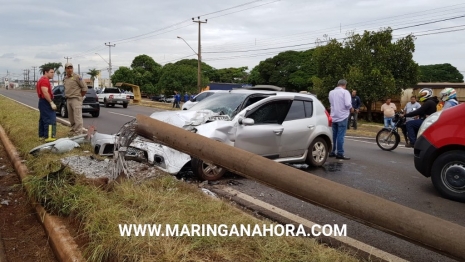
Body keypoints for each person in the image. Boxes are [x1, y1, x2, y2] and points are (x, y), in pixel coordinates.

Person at [328, 79, 353, 160]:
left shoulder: (331, 92)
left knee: (334, 135)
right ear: (344, 85)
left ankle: (332, 151)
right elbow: (347, 104)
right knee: (340, 136)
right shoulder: (345, 92)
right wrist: (351, 108)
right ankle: (340, 153)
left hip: (334, 115)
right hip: (342, 116)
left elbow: (331, 103)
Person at [63, 62, 88, 136]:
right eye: (68, 68)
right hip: (68, 99)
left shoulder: (77, 77)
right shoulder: (65, 78)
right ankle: (73, 130)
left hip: (76, 99)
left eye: (71, 68)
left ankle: (78, 133)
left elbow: (84, 88)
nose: (70, 69)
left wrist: (80, 96)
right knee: (71, 117)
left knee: (77, 117)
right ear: (65, 69)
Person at [36, 66, 57, 142]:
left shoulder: (41, 80)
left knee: (43, 119)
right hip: (46, 102)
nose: (53, 74)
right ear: (46, 72)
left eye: (53, 72)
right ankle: (49, 137)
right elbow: (45, 92)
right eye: (51, 72)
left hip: (43, 102)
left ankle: (42, 135)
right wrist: (51, 102)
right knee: (50, 119)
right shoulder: (45, 80)